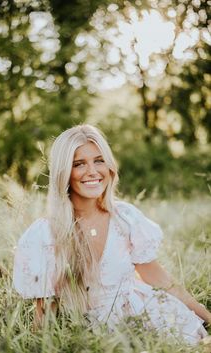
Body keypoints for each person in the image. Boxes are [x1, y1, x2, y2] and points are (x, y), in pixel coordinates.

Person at [13, 124, 211, 344]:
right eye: (79, 164)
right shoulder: (44, 235)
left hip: (147, 315)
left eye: (99, 160)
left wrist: (207, 317)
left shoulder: (125, 217)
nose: (92, 171)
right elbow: (44, 317)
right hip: (91, 335)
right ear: (64, 173)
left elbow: (163, 281)